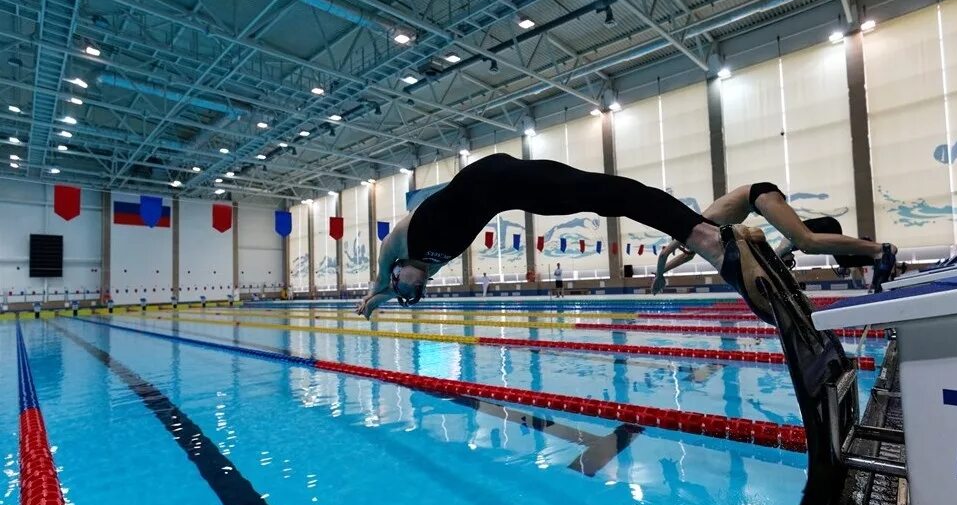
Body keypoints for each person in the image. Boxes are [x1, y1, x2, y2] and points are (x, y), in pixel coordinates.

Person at [355, 153, 776, 321]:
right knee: (605, 197)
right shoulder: (428, 265)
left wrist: (372, 298)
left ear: (397, 273)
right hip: (507, 194)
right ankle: (710, 239)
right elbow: (391, 292)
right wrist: (386, 300)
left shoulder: (398, 244)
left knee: (602, 190)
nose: (418, 286)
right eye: (418, 292)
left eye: (407, 288)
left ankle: (710, 241)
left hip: (491, 175)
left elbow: (378, 285)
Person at [651, 182, 898, 293]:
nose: (685, 249)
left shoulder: (691, 226)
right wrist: (661, 274)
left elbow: (664, 254)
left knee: (806, 242)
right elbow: (678, 258)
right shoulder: (694, 238)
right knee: (805, 241)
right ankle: (869, 252)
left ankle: (879, 249)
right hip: (759, 200)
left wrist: (659, 277)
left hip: (759, 195)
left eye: (680, 246)